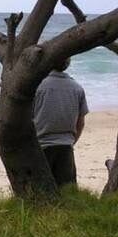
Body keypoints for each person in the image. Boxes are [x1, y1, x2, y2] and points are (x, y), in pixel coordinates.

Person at [32, 57, 88, 186]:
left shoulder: (38, 87)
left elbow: (27, 119)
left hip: (41, 146)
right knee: (67, 192)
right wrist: (72, 141)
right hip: (66, 146)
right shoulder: (77, 88)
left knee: (41, 193)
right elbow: (81, 123)